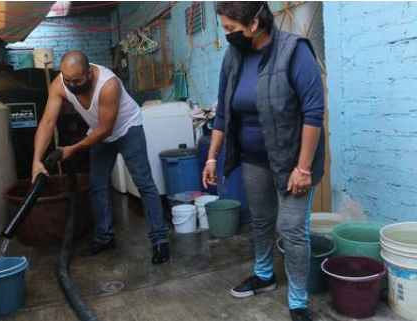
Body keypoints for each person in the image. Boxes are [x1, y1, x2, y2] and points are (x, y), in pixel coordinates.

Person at [202, 2, 325, 321]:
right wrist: (212, 157)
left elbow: (313, 113)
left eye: (230, 28)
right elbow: (224, 113)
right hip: (254, 159)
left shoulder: (294, 52)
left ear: (254, 23)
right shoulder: (233, 57)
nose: (227, 35)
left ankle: (298, 301)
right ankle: (264, 274)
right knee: (260, 219)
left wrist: (303, 168)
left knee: (292, 228)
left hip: (291, 161)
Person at [32, 51, 169, 264]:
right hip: (98, 132)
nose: (73, 85)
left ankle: (160, 240)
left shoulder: (108, 84)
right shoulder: (60, 84)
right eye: (68, 81)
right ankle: (104, 238)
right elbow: (47, 123)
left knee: (143, 182)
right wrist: (36, 161)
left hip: (126, 129)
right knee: (97, 185)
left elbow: (106, 129)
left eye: (78, 80)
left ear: (89, 72)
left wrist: (73, 149)